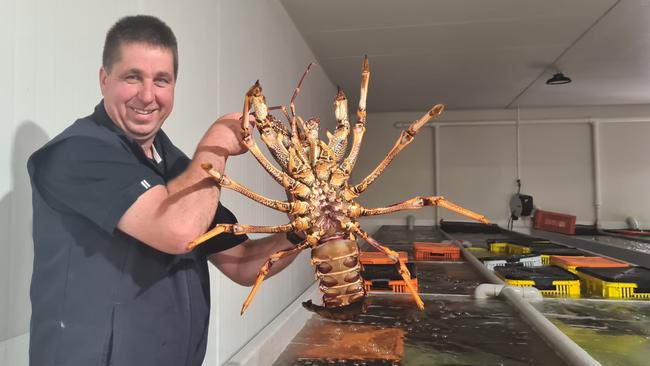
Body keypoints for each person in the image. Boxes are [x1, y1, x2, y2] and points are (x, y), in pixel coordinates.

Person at [27, 15, 301, 366]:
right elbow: (177, 231)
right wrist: (216, 143)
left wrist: (300, 231)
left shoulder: (175, 166)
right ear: (104, 79)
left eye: (161, 80)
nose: (147, 95)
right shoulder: (76, 153)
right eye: (132, 77)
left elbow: (242, 263)